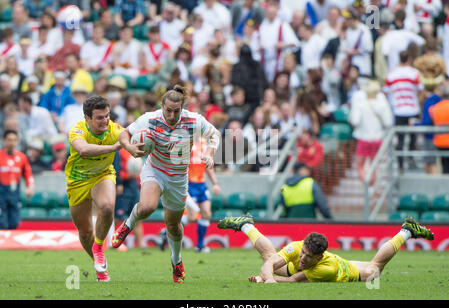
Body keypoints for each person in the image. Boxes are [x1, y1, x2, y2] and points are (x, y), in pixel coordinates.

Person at [112, 85, 221, 283]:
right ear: (162, 106)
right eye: (168, 110)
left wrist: (210, 154)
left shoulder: (193, 120)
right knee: (147, 207)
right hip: (155, 170)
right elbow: (123, 134)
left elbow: (215, 135)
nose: (171, 115)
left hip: (179, 178)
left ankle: (176, 261)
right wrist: (129, 148)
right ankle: (126, 226)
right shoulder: (150, 119)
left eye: (176, 111)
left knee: (173, 226)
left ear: (182, 108)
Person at [217, 214, 434, 283]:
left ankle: (406, 231)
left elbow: (293, 281)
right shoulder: (297, 247)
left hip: (345, 269)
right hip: (299, 269)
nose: (302, 257)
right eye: (303, 253)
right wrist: (267, 277)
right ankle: (245, 224)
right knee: (269, 255)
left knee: (374, 271)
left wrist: (264, 278)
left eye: (308, 257)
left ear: (319, 257)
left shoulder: (326, 269)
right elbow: (270, 264)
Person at [65, 96, 123, 282]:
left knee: (107, 207)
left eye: (107, 116)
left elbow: (128, 137)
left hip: (102, 175)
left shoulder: (113, 129)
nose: (105, 121)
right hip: (77, 182)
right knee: (85, 232)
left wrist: (137, 146)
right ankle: (98, 263)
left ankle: (99, 247)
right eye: (99, 117)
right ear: (87, 118)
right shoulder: (77, 130)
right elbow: (83, 150)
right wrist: (113, 147)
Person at [349, 79, 393, 185]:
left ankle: (367, 185)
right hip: (377, 139)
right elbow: (388, 122)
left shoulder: (360, 104)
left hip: (364, 139)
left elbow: (355, 120)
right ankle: (371, 188)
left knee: (360, 166)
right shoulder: (382, 104)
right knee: (373, 166)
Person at [0, 130, 34, 229]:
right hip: (1, 194)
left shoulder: (22, 157)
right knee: (2, 223)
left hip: (14, 193)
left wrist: (30, 187)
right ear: (4, 141)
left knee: (14, 222)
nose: (12, 142)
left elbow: (28, 173)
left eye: (14, 140)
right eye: (9, 140)